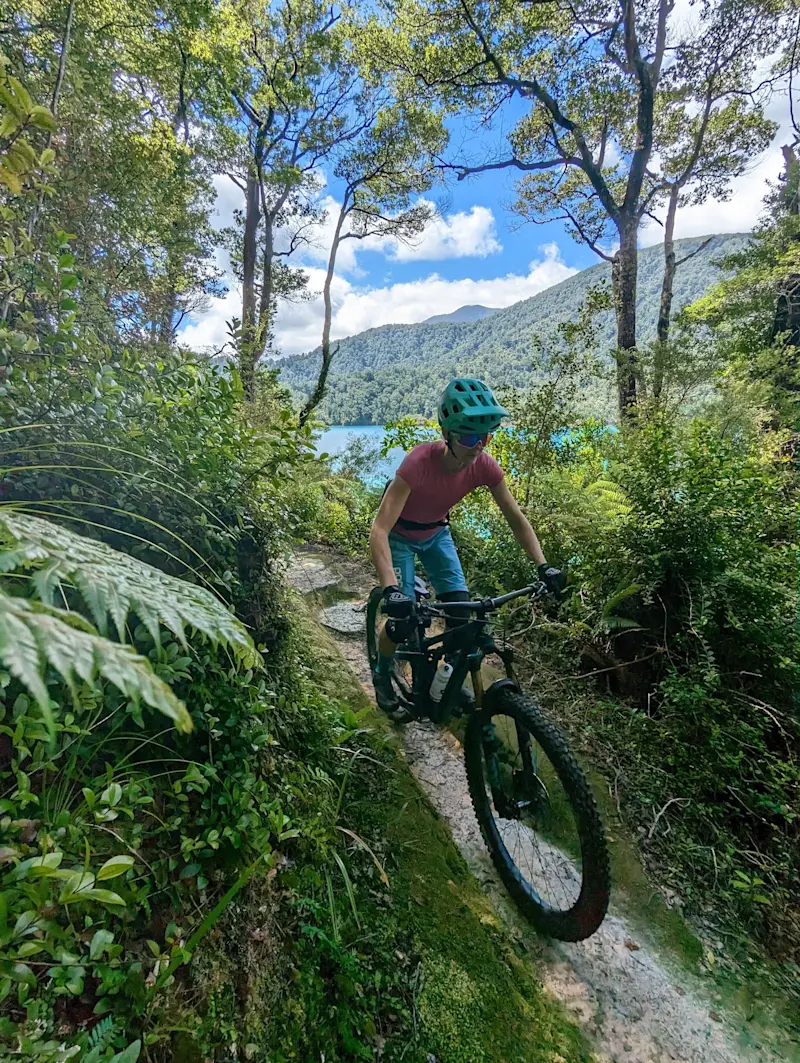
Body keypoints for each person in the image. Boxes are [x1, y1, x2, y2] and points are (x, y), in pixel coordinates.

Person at [369, 377, 565, 713]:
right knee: (403, 623)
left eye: (486, 436)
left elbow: (515, 517)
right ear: (448, 434)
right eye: (471, 436)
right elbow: (379, 529)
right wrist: (390, 590)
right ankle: (382, 674)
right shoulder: (418, 464)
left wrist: (543, 565)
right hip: (400, 536)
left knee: (461, 617)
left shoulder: (484, 466)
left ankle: (445, 679)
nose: (479, 446)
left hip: (437, 534)